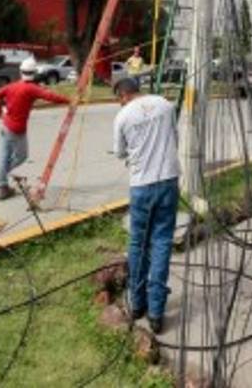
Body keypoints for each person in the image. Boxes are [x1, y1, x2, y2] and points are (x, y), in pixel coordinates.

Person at [113, 75, 180, 335]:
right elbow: (174, 136)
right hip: (168, 182)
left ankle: (137, 304)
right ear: (137, 90)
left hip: (141, 186)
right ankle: (155, 313)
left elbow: (120, 153)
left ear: (122, 95)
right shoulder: (165, 104)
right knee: (162, 242)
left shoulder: (123, 116)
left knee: (138, 244)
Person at [0, 57, 70, 200]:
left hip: (6, 126)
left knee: (4, 156)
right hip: (17, 130)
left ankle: (2, 188)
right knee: (21, 157)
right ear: (34, 72)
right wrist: (69, 100)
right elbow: (50, 96)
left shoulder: (12, 86)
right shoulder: (31, 89)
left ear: (21, 71)